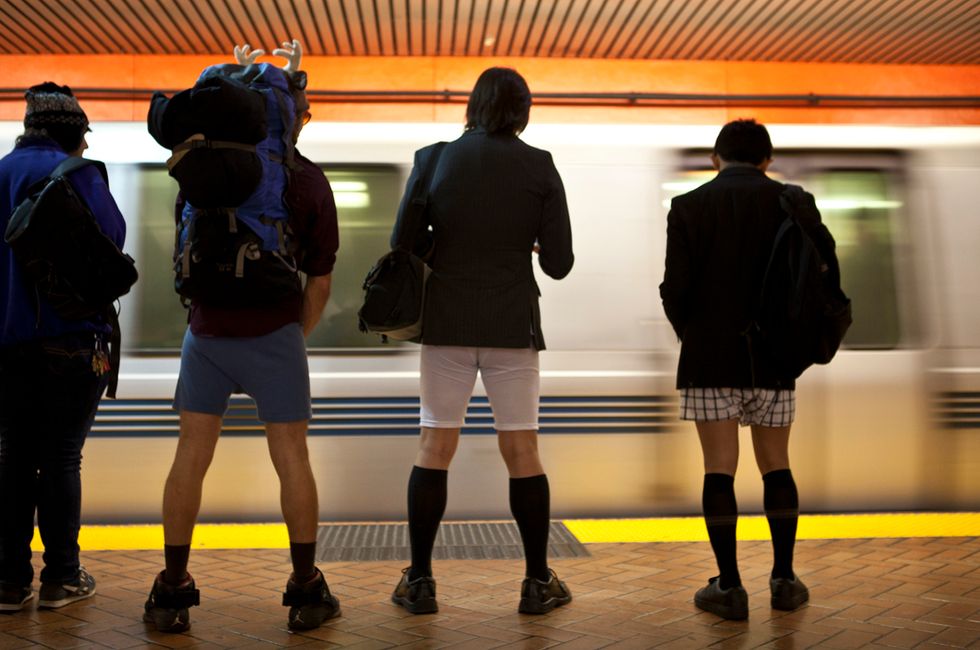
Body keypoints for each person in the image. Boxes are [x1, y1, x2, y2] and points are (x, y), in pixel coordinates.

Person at [142, 41, 341, 633]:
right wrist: (288, 335)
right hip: (275, 331)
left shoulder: (200, 170)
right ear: (292, 115)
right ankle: (306, 590)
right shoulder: (306, 182)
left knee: (189, 462)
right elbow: (321, 284)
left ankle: (172, 591)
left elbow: (184, 253)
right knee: (292, 462)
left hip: (205, 330)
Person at [389, 67, 575, 616]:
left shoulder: (433, 159)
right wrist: (525, 242)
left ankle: (420, 581)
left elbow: (403, 243)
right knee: (522, 452)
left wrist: (444, 234)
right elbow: (560, 263)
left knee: (433, 448)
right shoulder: (539, 165)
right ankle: (537, 583)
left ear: (473, 105)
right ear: (522, 111)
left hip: (446, 323)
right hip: (512, 326)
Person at [660, 119, 841, 620]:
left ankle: (730, 586)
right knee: (776, 464)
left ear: (716, 159)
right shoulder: (791, 202)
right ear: (767, 160)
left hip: (709, 359)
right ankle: (783, 579)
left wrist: (695, 335)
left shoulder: (688, 206)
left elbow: (674, 289)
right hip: (775, 359)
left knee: (719, 466)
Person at [0, 83, 126, 612]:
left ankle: (8, 583)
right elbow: (113, 240)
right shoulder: (77, 175)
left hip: (5, 346)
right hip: (70, 341)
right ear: (75, 134)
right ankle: (62, 578)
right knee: (60, 458)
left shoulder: (2, 172)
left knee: (9, 459)